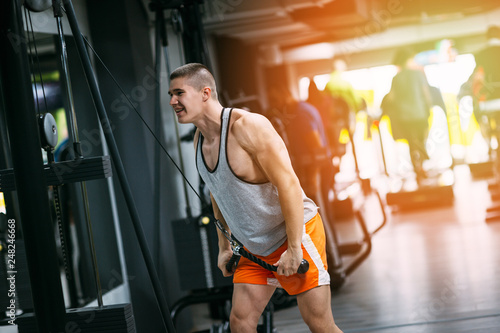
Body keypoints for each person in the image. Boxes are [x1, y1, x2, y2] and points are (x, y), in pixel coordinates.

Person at [168, 63, 343, 333]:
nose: (172, 101)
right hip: (253, 247)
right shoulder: (199, 142)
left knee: (319, 324)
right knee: (240, 323)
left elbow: (289, 184)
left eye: (179, 93)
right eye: (171, 95)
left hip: (294, 234)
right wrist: (224, 245)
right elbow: (218, 191)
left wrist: (294, 248)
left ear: (205, 93)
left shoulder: (247, 127)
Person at [382, 47, 432, 180]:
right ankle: (422, 163)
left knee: (412, 142)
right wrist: (429, 108)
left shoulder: (396, 78)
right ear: (408, 59)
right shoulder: (417, 74)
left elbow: (391, 98)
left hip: (404, 116)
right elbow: (426, 94)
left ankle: (417, 167)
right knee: (421, 140)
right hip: (420, 114)